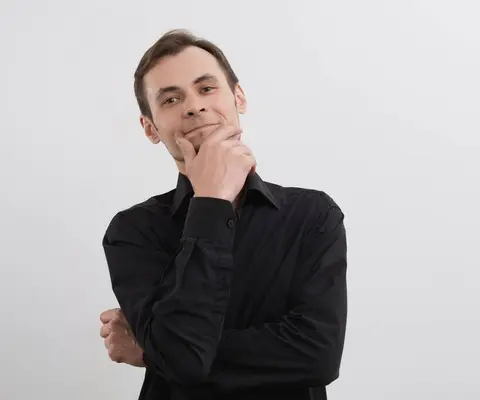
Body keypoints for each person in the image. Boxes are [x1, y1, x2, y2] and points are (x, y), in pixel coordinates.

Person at [98, 29, 348, 399]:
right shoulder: (133, 231)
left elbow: (318, 356)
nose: (194, 106)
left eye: (207, 88)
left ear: (238, 97)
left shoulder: (312, 215)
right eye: (170, 99)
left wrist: (155, 351)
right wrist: (211, 201)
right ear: (150, 128)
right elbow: (182, 358)